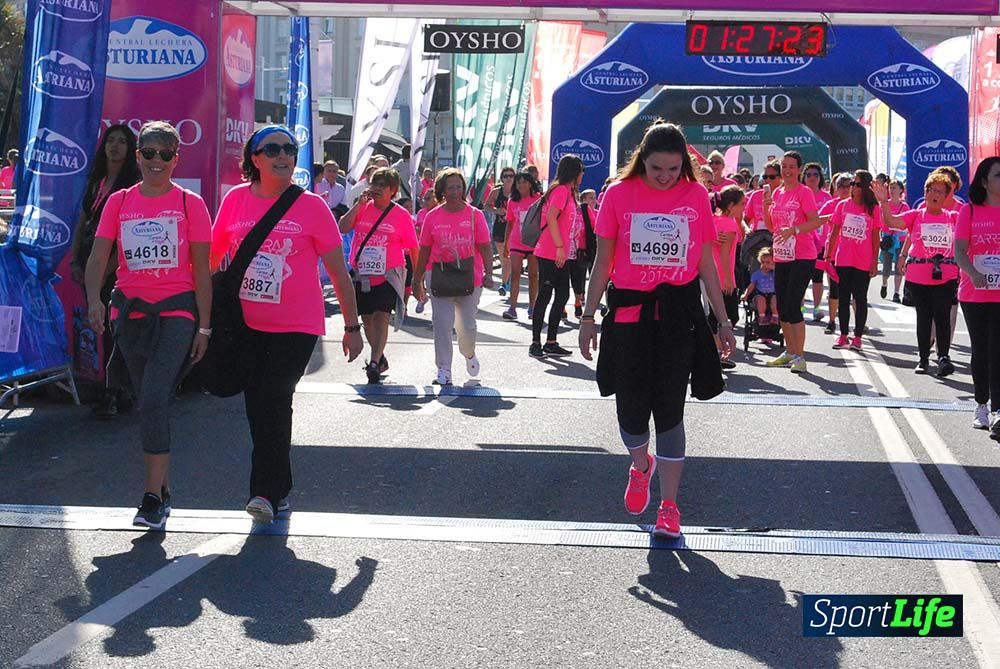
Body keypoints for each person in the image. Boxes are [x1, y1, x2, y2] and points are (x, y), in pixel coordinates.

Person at [578, 122, 735, 539]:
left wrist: (722, 321)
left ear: (684, 164)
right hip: (629, 315)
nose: (665, 176)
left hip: (678, 317)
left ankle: (669, 506)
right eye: (656, 168)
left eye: (673, 168)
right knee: (630, 413)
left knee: (670, 411)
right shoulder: (618, 195)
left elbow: (705, 264)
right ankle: (639, 464)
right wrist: (588, 317)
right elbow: (602, 263)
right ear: (640, 163)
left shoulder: (697, 195)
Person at [211, 125, 363, 523]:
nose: (283, 155)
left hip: (296, 325)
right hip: (245, 324)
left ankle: (264, 492)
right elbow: (212, 262)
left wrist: (352, 326)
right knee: (258, 405)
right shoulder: (234, 201)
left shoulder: (311, 206)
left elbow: (338, 270)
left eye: (290, 149)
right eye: (273, 148)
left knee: (275, 398)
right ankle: (280, 488)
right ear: (254, 158)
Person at [84, 121, 212, 530]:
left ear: (177, 158)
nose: (157, 160)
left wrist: (205, 328)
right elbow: (98, 258)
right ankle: (165, 489)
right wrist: (94, 302)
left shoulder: (191, 204)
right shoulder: (119, 202)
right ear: (138, 156)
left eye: (166, 153)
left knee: (154, 397)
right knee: (146, 401)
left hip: (177, 310)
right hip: (130, 310)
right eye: (150, 152)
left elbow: (202, 272)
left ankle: (151, 497)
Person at [71, 124, 142, 419]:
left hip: (116, 264)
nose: (114, 147)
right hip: (91, 257)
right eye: (110, 141)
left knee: (116, 329)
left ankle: (117, 391)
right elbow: (83, 221)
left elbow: (127, 234)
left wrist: (105, 268)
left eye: (121, 142)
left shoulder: (132, 184)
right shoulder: (96, 180)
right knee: (98, 327)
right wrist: (76, 261)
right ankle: (109, 387)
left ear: (130, 149)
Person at [412, 168, 493, 385]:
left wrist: (489, 273)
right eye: (451, 187)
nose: (455, 191)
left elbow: (485, 247)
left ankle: (468, 353)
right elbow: (425, 250)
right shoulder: (432, 217)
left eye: (459, 187)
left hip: (469, 278)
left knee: (466, 325)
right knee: (442, 323)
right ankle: (444, 369)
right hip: (439, 276)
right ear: (442, 191)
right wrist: (417, 279)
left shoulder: (475, 215)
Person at [338, 167, 418, 384]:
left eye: (383, 186)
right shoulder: (363, 208)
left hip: (389, 273)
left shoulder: (401, 216)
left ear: (392, 190)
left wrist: (418, 280)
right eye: (375, 184)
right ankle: (379, 357)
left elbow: (413, 247)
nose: (377, 189)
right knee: (367, 319)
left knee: (382, 314)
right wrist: (358, 206)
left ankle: (373, 363)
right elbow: (343, 227)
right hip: (363, 273)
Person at [875, 173, 958, 377]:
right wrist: (884, 202)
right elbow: (891, 221)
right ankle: (923, 359)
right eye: (931, 190)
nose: (934, 194)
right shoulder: (916, 215)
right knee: (924, 318)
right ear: (925, 192)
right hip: (919, 276)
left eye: (939, 191)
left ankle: (943, 357)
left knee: (943, 318)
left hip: (945, 275)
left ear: (947, 196)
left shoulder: (953, 217)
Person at [762, 151, 823, 373]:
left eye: (791, 167)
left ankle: (800, 356)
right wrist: (765, 205)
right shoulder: (777, 192)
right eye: (784, 166)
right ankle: (789, 351)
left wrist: (794, 230)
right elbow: (770, 227)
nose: (787, 170)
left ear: (799, 170)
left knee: (793, 305)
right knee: (783, 307)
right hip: (781, 254)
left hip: (802, 255)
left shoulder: (803, 192)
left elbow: (815, 221)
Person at [954, 156, 1000, 437]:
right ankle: (981, 404)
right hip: (975, 293)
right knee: (981, 349)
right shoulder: (969, 212)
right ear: (984, 181)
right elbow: (960, 251)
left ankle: (998, 409)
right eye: (998, 175)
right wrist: (972, 272)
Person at [530, 154, 584, 359]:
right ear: (574, 171)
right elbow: (552, 217)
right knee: (545, 295)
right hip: (550, 252)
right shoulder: (561, 190)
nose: (582, 175)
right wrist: (560, 247)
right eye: (581, 170)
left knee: (562, 295)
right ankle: (536, 342)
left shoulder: (569, 192)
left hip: (562, 253)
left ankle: (551, 341)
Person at [825, 170, 880, 351]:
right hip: (843, 259)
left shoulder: (873, 208)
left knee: (860, 298)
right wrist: (828, 255)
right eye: (851, 185)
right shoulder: (842, 205)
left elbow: (875, 236)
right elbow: (834, 232)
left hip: (863, 260)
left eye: (857, 184)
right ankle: (843, 335)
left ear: (865, 187)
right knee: (843, 298)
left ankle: (857, 337)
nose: (853, 188)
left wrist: (874, 261)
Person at [711, 185, 744, 368]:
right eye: (741, 204)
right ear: (731, 205)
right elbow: (725, 254)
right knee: (726, 316)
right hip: (721, 274)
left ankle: (717, 351)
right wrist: (729, 279)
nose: (744, 208)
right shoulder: (728, 224)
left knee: (714, 317)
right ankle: (718, 352)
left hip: (710, 273)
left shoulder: (714, 219)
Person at [503, 170, 542, 321]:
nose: (521, 185)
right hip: (516, 242)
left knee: (533, 276)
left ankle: (532, 307)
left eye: (524, 182)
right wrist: (506, 243)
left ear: (531, 183)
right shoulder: (512, 201)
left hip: (533, 243)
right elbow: (510, 223)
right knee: (515, 274)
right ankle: (512, 308)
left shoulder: (538, 199)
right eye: (518, 182)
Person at [818, 173, 852, 334]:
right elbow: (816, 220)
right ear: (836, 189)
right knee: (834, 289)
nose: (845, 189)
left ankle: (858, 325)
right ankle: (832, 321)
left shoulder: (861, 205)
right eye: (841, 186)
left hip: (855, 253)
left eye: (848, 186)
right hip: (834, 252)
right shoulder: (832, 204)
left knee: (855, 291)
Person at [803, 163, 832, 322]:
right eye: (808, 175)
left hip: (820, 244)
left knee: (817, 277)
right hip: (802, 243)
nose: (812, 177)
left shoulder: (826, 197)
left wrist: (821, 241)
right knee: (801, 278)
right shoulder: (800, 194)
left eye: (815, 174)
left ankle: (816, 308)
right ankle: (800, 307)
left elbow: (829, 222)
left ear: (820, 178)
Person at [485, 167, 515, 296]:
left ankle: (507, 281)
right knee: (504, 259)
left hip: (514, 229)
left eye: (511, 176)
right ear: (502, 178)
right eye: (506, 176)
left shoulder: (518, 191)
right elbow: (486, 206)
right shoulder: (497, 192)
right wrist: (497, 211)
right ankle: (504, 283)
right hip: (500, 227)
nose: (508, 178)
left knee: (511, 259)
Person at [879, 179, 908, 303]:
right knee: (886, 265)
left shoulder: (905, 206)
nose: (892, 190)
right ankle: (884, 284)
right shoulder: (885, 204)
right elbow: (881, 221)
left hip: (900, 238)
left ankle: (896, 292)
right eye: (891, 188)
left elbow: (907, 223)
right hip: (888, 237)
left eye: (895, 188)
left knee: (899, 266)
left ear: (901, 190)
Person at [743, 247, 778, 325]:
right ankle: (762, 317)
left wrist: (774, 268)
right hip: (760, 293)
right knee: (760, 300)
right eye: (762, 262)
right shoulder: (757, 274)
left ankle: (775, 317)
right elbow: (751, 285)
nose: (765, 265)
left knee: (775, 299)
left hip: (773, 294)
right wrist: (745, 294)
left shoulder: (775, 273)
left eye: (768, 263)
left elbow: (781, 280)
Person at [744, 161, 779, 233]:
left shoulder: (785, 195)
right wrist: (747, 230)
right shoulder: (756, 195)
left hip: (777, 236)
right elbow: (746, 219)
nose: (768, 180)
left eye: (772, 177)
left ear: (781, 177)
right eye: (765, 177)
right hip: (758, 237)